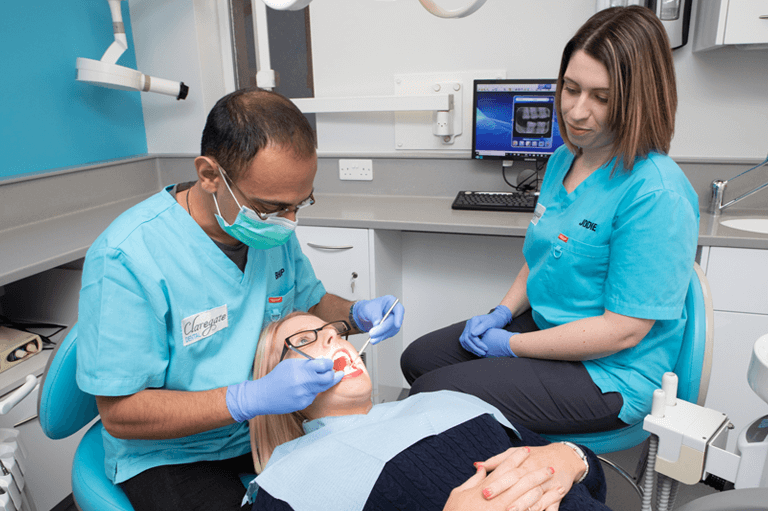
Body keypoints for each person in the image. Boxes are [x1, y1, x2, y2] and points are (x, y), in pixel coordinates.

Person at [75, 87, 405, 511]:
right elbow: (121, 414)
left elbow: (310, 303)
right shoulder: (127, 257)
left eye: (299, 205)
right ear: (210, 174)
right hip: (173, 453)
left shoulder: (266, 230)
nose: (288, 222)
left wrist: (359, 313)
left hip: (263, 427)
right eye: (272, 207)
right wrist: (248, 398)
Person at [401, 5, 699, 436]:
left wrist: (512, 346)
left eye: (602, 97)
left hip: (608, 372)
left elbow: (622, 332)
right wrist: (503, 312)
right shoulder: (564, 159)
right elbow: (547, 253)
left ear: (638, 100)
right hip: (546, 327)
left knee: (433, 393)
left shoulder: (656, 193)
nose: (577, 113)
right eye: (571, 88)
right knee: (418, 360)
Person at [245, 312, 613, 511]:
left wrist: (572, 456)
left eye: (336, 331)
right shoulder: (287, 484)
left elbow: (590, 476)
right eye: (306, 340)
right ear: (273, 382)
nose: (333, 337)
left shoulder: (447, 401)